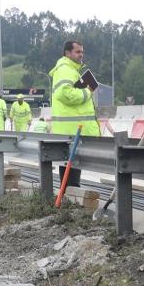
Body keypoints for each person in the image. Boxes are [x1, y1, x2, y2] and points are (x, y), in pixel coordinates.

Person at [49, 40, 99, 187]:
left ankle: (69, 199)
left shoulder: (71, 70)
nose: (81, 55)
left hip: (73, 131)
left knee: (71, 173)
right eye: (77, 52)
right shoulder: (65, 69)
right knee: (70, 174)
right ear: (67, 53)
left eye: (82, 52)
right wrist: (87, 91)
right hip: (71, 131)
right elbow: (65, 94)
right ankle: (69, 199)